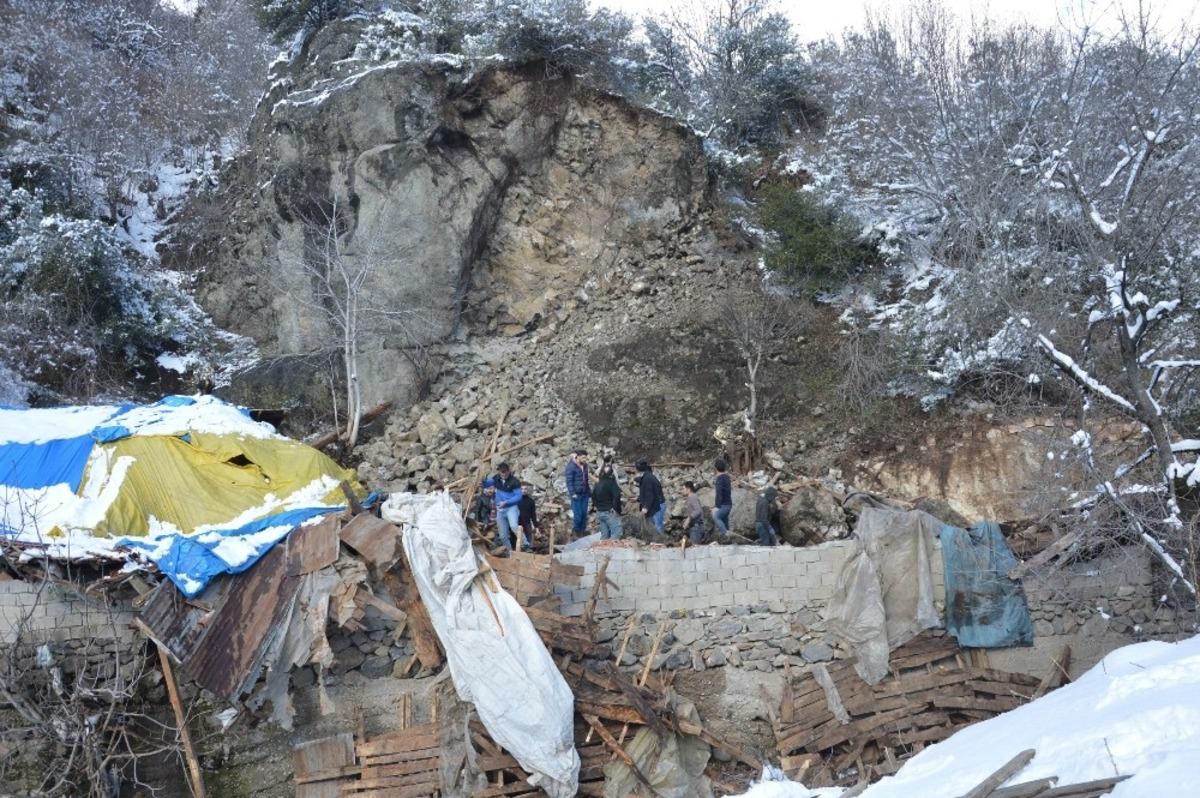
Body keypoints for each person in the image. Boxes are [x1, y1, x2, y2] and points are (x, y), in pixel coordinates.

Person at [492, 462, 523, 553]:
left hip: (511, 508)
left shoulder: (515, 481)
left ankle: (525, 544)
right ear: (499, 472)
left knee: (514, 526)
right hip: (500, 510)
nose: (503, 474)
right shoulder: (496, 478)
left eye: (505, 472)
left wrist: (507, 502)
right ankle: (510, 552)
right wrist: (483, 482)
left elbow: (519, 496)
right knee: (502, 536)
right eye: (502, 472)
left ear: (509, 471)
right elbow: (488, 483)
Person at [592, 464, 624, 540]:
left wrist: (598, 507)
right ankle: (612, 550)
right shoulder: (611, 483)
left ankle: (603, 550)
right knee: (616, 533)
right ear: (612, 474)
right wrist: (616, 509)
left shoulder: (598, 484)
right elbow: (617, 497)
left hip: (600, 512)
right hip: (609, 511)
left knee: (604, 535)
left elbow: (593, 497)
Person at [635, 460, 666, 534]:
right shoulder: (647, 477)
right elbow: (646, 493)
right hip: (655, 504)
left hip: (657, 505)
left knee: (657, 526)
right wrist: (638, 499)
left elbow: (650, 495)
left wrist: (645, 508)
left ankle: (659, 543)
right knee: (654, 526)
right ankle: (655, 542)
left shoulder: (648, 479)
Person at [564, 449, 591, 535]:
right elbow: (569, 481)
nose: (585, 460)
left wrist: (589, 492)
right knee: (578, 515)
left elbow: (586, 480)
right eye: (583, 458)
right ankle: (576, 531)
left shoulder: (585, 465)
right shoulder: (571, 466)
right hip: (576, 495)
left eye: (586, 458)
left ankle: (582, 531)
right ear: (578, 456)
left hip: (585, 493)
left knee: (584, 514)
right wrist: (573, 493)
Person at [711, 459, 733, 539]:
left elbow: (719, 494)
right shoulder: (727, 477)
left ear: (716, 468)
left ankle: (726, 534)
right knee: (724, 521)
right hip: (729, 504)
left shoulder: (720, 479)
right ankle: (726, 540)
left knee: (716, 517)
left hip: (723, 505)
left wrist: (716, 506)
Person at [516, 482, 538, 550]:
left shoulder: (531, 501)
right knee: (516, 540)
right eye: (522, 489)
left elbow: (533, 514)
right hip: (517, 523)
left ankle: (529, 551)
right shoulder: (515, 500)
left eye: (525, 489)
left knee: (529, 539)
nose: (523, 490)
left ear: (528, 490)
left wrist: (536, 526)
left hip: (527, 523)